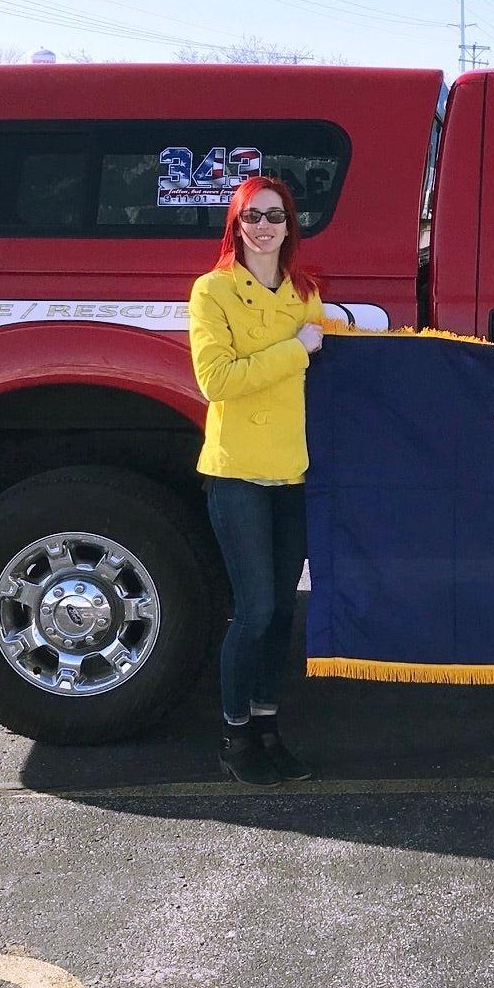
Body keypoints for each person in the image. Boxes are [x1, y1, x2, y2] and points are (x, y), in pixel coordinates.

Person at [189, 174, 327, 785]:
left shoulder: (305, 291)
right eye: (253, 216)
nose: (265, 226)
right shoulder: (212, 291)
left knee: (280, 617)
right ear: (236, 226)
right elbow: (217, 380)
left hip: (290, 471)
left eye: (276, 215)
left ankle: (268, 727)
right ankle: (234, 733)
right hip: (238, 472)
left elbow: (329, 354)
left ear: (289, 225)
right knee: (255, 608)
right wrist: (296, 348)